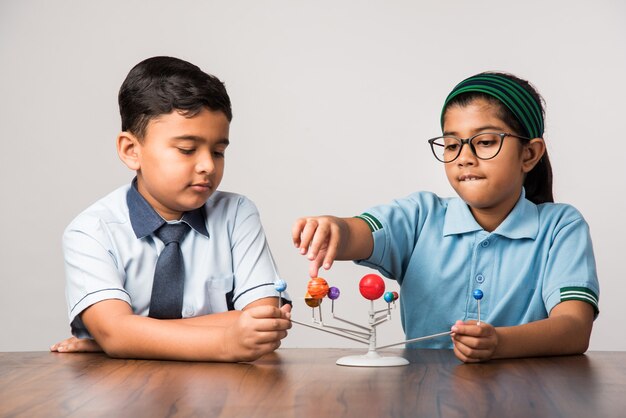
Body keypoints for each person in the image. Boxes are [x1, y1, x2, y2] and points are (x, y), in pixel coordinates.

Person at [292, 72, 599, 363]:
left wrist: (500, 343)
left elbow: (574, 327)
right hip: (422, 394)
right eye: (452, 144)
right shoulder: (420, 216)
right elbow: (359, 233)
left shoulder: (561, 228)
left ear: (529, 154)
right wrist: (335, 228)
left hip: (526, 397)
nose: (464, 157)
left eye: (486, 142)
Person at [50, 56, 291, 362]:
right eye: (187, 150)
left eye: (218, 152)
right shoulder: (91, 231)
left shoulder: (237, 214)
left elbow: (265, 321)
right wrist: (225, 340)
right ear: (131, 150)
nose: (207, 165)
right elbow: (115, 332)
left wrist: (132, 336)